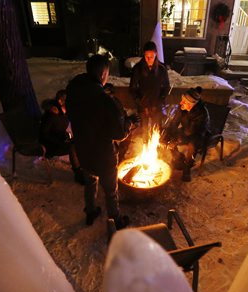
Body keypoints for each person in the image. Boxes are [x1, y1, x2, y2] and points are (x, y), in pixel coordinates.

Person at [66, 54, 140, 228]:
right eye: (107, 72)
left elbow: (72, 116)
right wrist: (129, 123)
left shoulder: (74, 91)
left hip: (83, 150)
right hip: (103, 155)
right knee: (111, 192)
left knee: (90, 182)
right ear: (103, 74)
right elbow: (119, 133)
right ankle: (116, 220)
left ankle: (90, 212)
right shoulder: (105, 101)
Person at [161, 86, 210, 182]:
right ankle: (178, 158)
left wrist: (176, 141)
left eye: (184, 101)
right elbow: (174, 123)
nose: (181, 103)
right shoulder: (182, 108)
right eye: (182, 100)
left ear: (192, 104)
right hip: (186, 130)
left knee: (192, 145)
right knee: (168, 138)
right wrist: (167, 135)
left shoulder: (202, 113)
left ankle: (187, 168)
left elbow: (191, 132)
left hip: (198, 134)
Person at [39, 89, 84, 185]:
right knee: (72, 147)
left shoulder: (65, 113)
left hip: (60, 140)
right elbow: (43, 134)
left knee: (79, 141)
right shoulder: (51, 115)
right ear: (60, 101)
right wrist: (60, 141)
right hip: (50, 146)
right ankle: (78, 173)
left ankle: (85, 166)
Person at [129, 41, 170, 129]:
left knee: (157, 131)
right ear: (144, 55)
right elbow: (132, 88)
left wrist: (160, 100)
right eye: (146, 56)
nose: (149, 59)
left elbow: (167, 87)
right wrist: (139, 102)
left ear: (156, 54)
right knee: (144, 131)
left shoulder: (161, 69)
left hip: (157, 107)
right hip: (143, 107)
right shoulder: (137, 69)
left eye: (151, 56)